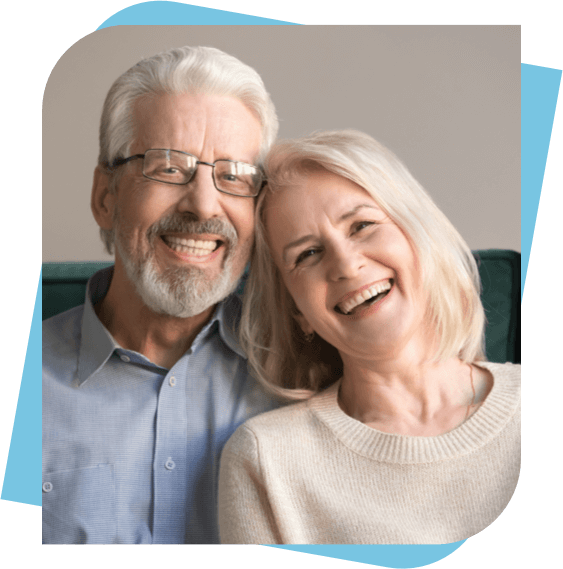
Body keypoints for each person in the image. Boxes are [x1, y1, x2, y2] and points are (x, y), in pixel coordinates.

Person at [218, 129, 521, 545]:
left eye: (361, 225)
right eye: (307, 254)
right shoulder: (265, 460)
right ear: (296, 311)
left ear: (419, 238)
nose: (345, 263)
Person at [42, 46, 282, 545]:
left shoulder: (305, 372)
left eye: (233, 176)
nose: (202, 204)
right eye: (169, 168)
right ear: (105, 197)